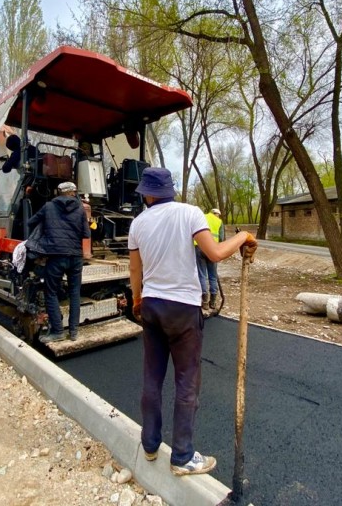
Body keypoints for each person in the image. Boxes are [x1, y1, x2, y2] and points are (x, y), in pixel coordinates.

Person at [128, 167, 257, 476]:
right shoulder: (190, 213)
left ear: (147, 194)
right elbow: (214, 254)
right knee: (186, 380)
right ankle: (182, 456)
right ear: (169, 190)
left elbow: (135, 270)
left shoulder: (138, 223)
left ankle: (150, 445)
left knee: (152, 377)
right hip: (183, 309)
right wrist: (243, 236)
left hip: (152, 305)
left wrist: (137, 300)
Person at [27, 181, 91, 344]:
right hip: (75, 257)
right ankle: (74, 332)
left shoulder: (48, 206)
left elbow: (30, 222)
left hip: (55, 256)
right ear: (73, 193)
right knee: (75, 293)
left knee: (51, 292)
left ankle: (58, 331)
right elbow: (86, 234)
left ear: (59, 192)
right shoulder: (80, 209)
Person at [195, 207, 225, 314]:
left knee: (202, 275)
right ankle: (213, 301)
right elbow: (221, 238)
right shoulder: (219, 222)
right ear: (217, 214)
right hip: (213, 249)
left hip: (199, 247)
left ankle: (204, 302)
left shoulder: (202, 217)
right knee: (213, 275)